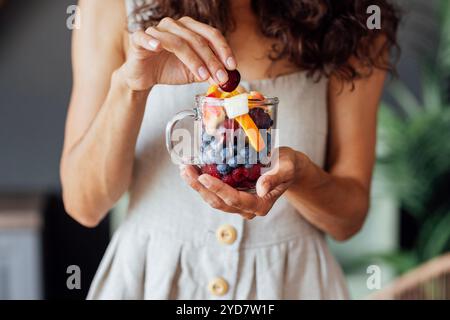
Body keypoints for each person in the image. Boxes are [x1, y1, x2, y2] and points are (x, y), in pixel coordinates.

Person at [60, 0, 400, 299]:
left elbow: (348, 219)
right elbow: (85, 205)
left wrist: (302, 176)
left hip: (291, 284)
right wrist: (131, 87)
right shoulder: (111, 7)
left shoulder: (355, 22)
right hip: (151, 281)